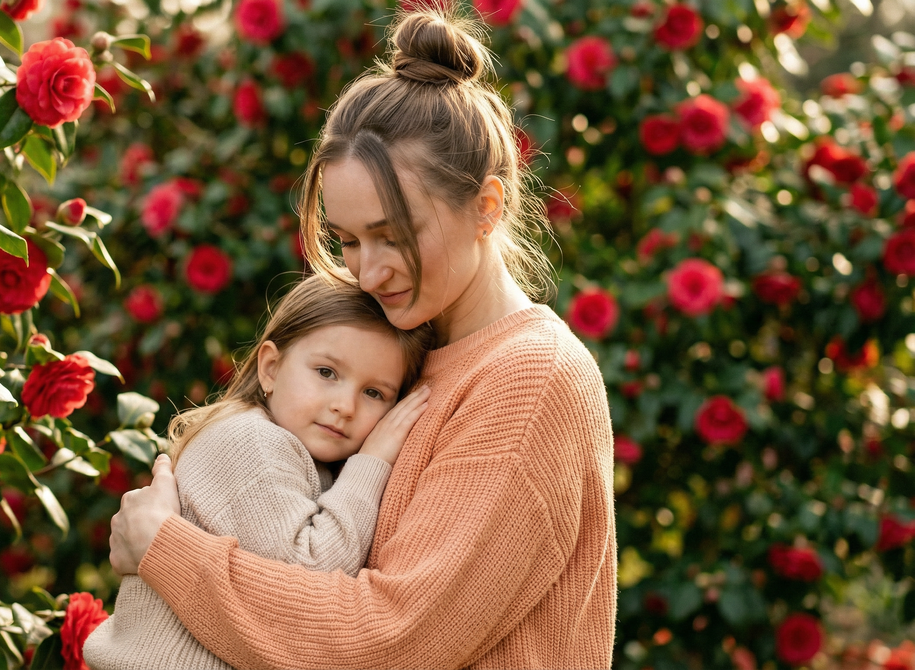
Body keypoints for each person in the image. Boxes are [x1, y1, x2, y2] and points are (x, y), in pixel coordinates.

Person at [106, 5, 617, 668]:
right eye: (347, 240)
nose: (368, 273)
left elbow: (387, 639)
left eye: (393, 236)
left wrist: (165, 549)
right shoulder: (398, 349)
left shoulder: (530, 380)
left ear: (486, 208)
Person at [84, 271, 435, 670]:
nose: (345, 406)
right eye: (326, 372)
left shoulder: (301, 452)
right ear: (270, 367)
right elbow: (314, 573)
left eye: (374, 393)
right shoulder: (250, 442)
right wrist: (373, 462)